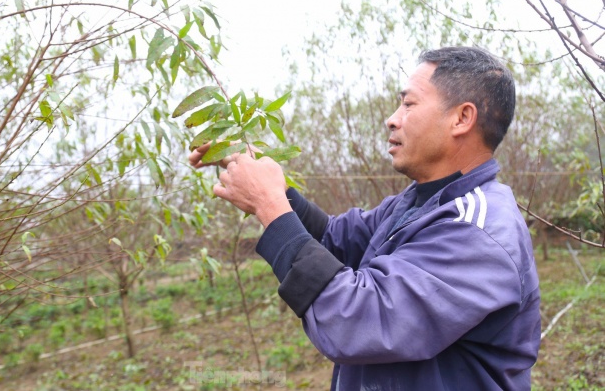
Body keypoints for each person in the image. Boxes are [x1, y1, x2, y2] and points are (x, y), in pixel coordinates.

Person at [189, 46, 541, 391]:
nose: (392, 118)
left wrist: (269, 205)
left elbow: (360, 321)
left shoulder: (477, 229)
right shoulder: (420, 202)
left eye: (409, 103)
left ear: (461, 118)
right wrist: (268, 187)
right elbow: (334, 240)